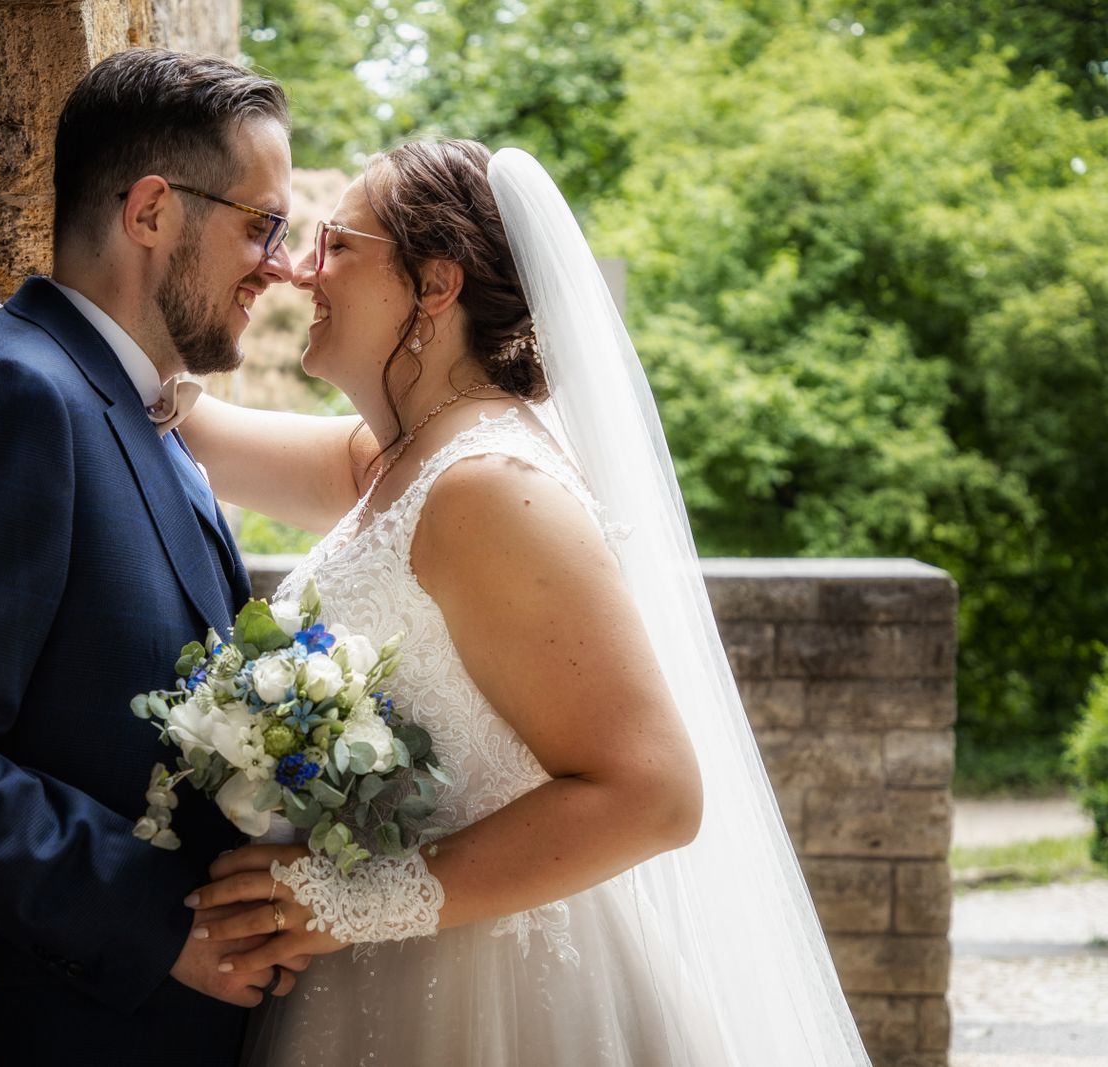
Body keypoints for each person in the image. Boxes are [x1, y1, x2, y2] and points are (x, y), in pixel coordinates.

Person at [175, 141, 871, 1064]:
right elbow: (185, 422)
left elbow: (655, 793)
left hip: (498, 995)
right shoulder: (392, 458)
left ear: (434, 285)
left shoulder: (491, 486)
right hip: (362, 979)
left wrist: (350, 899)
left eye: (337, 243)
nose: (304, 269)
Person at [0, 49, 303, 1066]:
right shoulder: (25, 393)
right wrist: (163, 926)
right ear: (153, 211)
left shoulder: (156, 412)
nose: (281, 264)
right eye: (263, 225)